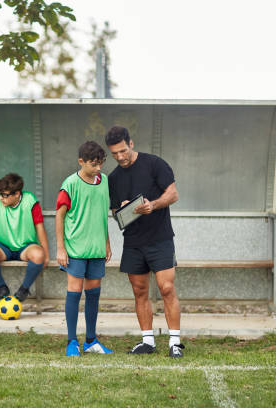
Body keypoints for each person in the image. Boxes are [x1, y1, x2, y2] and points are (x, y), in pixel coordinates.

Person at [105, 125, 184, 358]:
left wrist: (153, 205)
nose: (120, 157)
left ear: (131, 144)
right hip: (132, 241)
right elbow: (114, 211)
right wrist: (122, 209)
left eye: (122, 151)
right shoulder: (114, 178)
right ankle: (147, 341)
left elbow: (173, 194)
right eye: (114, 154)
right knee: (140, 291)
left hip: (160, 238)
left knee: (166, 288)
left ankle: (175, 343)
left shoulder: (154, 163)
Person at [56, 141, 113, 357]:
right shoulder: (69, 184)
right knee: (74, 291)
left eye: (101, 164)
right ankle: (72, 342)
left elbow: (102, 214)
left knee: (93, 293)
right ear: (81, 162)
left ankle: (91, 340)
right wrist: (61, 248)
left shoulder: (105, 181)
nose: (98, 168)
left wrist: (106, 242)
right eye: (93, 164)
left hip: (96, 249)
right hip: (76, 249)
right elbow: (59, 216)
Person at [0, 173, 49, 302]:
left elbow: (40, 228)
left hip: (26, 246)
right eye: (0, 194)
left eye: (5, 195)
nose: (1, 198)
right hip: (3, 246)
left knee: (39, 255)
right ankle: (2, 287)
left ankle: (24, 289)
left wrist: (46, 254)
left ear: (17, 194)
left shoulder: (30, 201)